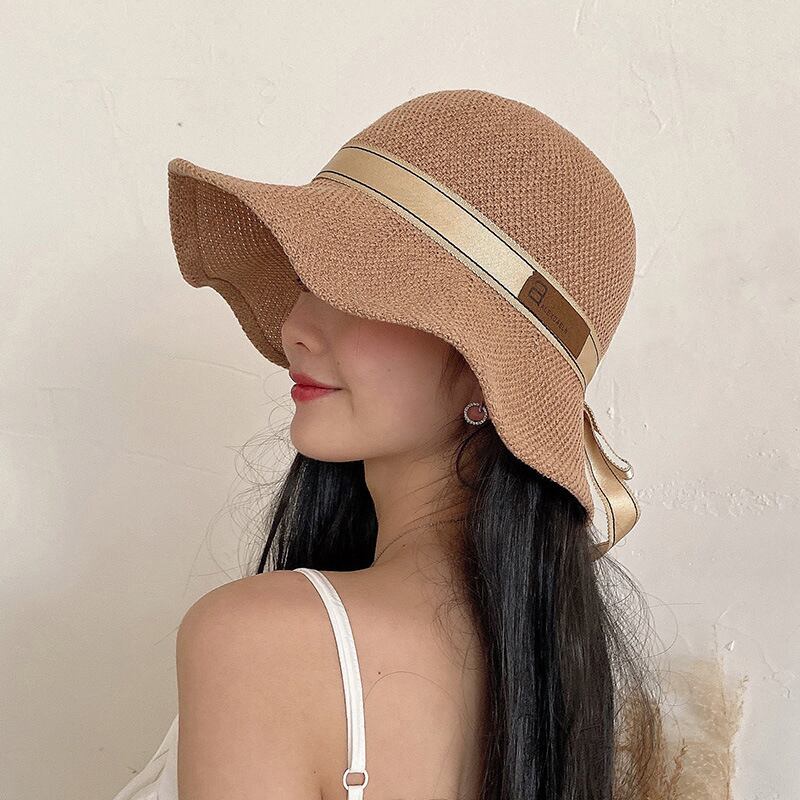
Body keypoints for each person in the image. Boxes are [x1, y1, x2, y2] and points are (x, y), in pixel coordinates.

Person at [112, 89, 671, 800]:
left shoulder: (261, 641)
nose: (293, 329)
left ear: (484, 367)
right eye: (308, 279)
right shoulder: (558, 684)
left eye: (356, 288)